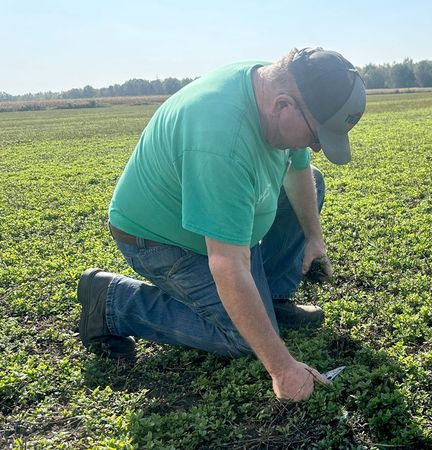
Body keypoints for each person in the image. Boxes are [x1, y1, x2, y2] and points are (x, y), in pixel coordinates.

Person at [76, 48, 366, 402]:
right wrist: (282, 369)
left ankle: (273, 299)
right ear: (283, 105)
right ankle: (112, 302)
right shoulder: (222, 141)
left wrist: (313, 237)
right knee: (246, 339)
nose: (316, 147)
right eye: (316, 135)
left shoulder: (276, 86)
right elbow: (228, 265)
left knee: (313, 181)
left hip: (212, 213)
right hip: (159, 240)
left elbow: (299, 168)